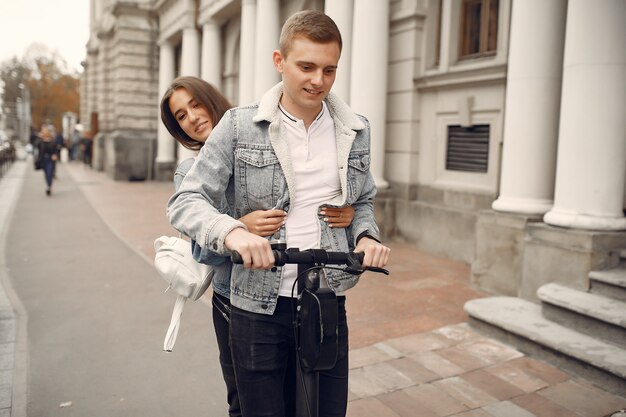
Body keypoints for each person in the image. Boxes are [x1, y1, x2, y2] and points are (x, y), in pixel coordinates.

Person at [168, 10, 390, 417]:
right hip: (255, 304)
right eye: (306, 66)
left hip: (326, 296)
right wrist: (234, 232)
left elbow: (363, 201)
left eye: (329, 70)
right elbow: (185, 200)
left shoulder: (356, 130)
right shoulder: (238, 126)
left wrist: (366, 236)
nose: (317, 80)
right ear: (279, 61)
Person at [160, 75, 355, 417]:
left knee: (297, 392)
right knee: (244, 399)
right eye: (180, 115)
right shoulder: (189, 171)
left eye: (195, 104)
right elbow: (201, 252)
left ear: (211, 99)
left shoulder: (261, 137)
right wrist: (238, 228)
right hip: (232, 298)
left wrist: (348, 206)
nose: (191, 117)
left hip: (291, 286)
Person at [36, 127, 61, 196]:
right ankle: (48, 185)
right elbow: (36, 145)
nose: (45, 133)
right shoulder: (40, 141)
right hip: (43, 160)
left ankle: (49, 187)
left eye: (46, 132)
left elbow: (56, 150)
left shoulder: (53, 141)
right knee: (46, 174)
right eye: (44, 132)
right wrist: (39, 137)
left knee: (50, 173)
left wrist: (55, 155)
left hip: (50, 160)